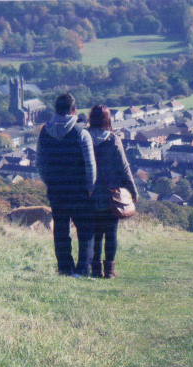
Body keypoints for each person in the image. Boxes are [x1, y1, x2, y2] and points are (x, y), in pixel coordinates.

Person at [36, 93, 96, 276]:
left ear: (56, 109)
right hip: (79, 190)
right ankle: (83, 269)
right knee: (85, 230)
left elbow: (40, 163)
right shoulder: (81, 133)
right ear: (74, 110)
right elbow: (90, 165)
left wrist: (50, 182)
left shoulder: (44, 132)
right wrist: (90, 188)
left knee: (61, 230)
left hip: (56, 189)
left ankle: (65, 268)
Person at [87, 105, 138, 278]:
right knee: (111, 233)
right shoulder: (113, 140)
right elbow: (124, 169)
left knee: (95, 233)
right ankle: (109, 271)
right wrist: (133, 191)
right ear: (108, 119)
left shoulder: (83, 138)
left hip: (89, 193)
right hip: (111, 194)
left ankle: (95, 269)